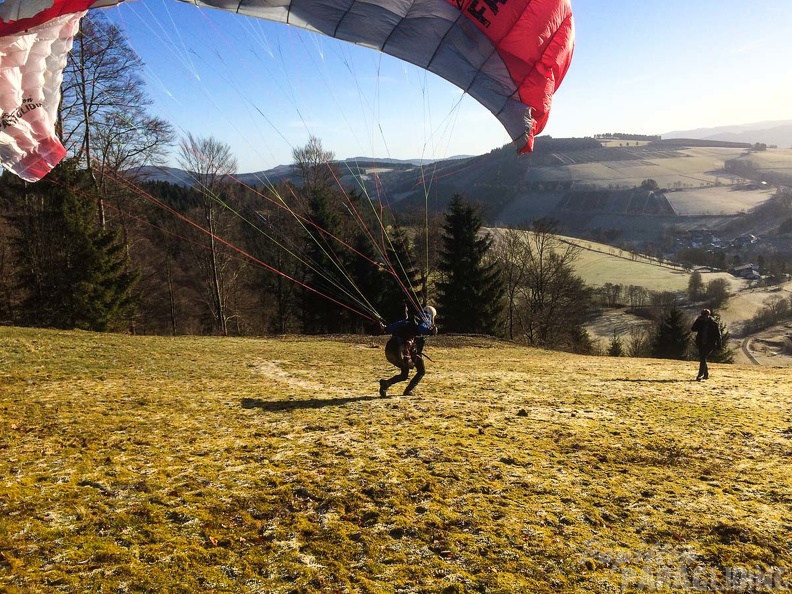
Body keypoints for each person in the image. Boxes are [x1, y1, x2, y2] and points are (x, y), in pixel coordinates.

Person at [378, 306, 438, 397]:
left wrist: (386, 328)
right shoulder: (426, 317)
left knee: (404, 375)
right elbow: (422, 328)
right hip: (407, 350)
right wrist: (430, 331)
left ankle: (386, 383)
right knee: (421, 371)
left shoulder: (411, 318)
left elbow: (395, 325)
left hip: (396, 348)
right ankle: (408, 390)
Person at [691, 308, 721, 381]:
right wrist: (697, 320)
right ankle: (706, 375)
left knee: (703, 357)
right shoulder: (700, 322)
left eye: (704, 315)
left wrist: (719, 345)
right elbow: (693, 329)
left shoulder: (714, 323)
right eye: (702, 315)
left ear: (708, 315)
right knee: (703, 358)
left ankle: (700, 375)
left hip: (710, 344)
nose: (703, 316)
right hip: (701, 343)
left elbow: (718, 335)